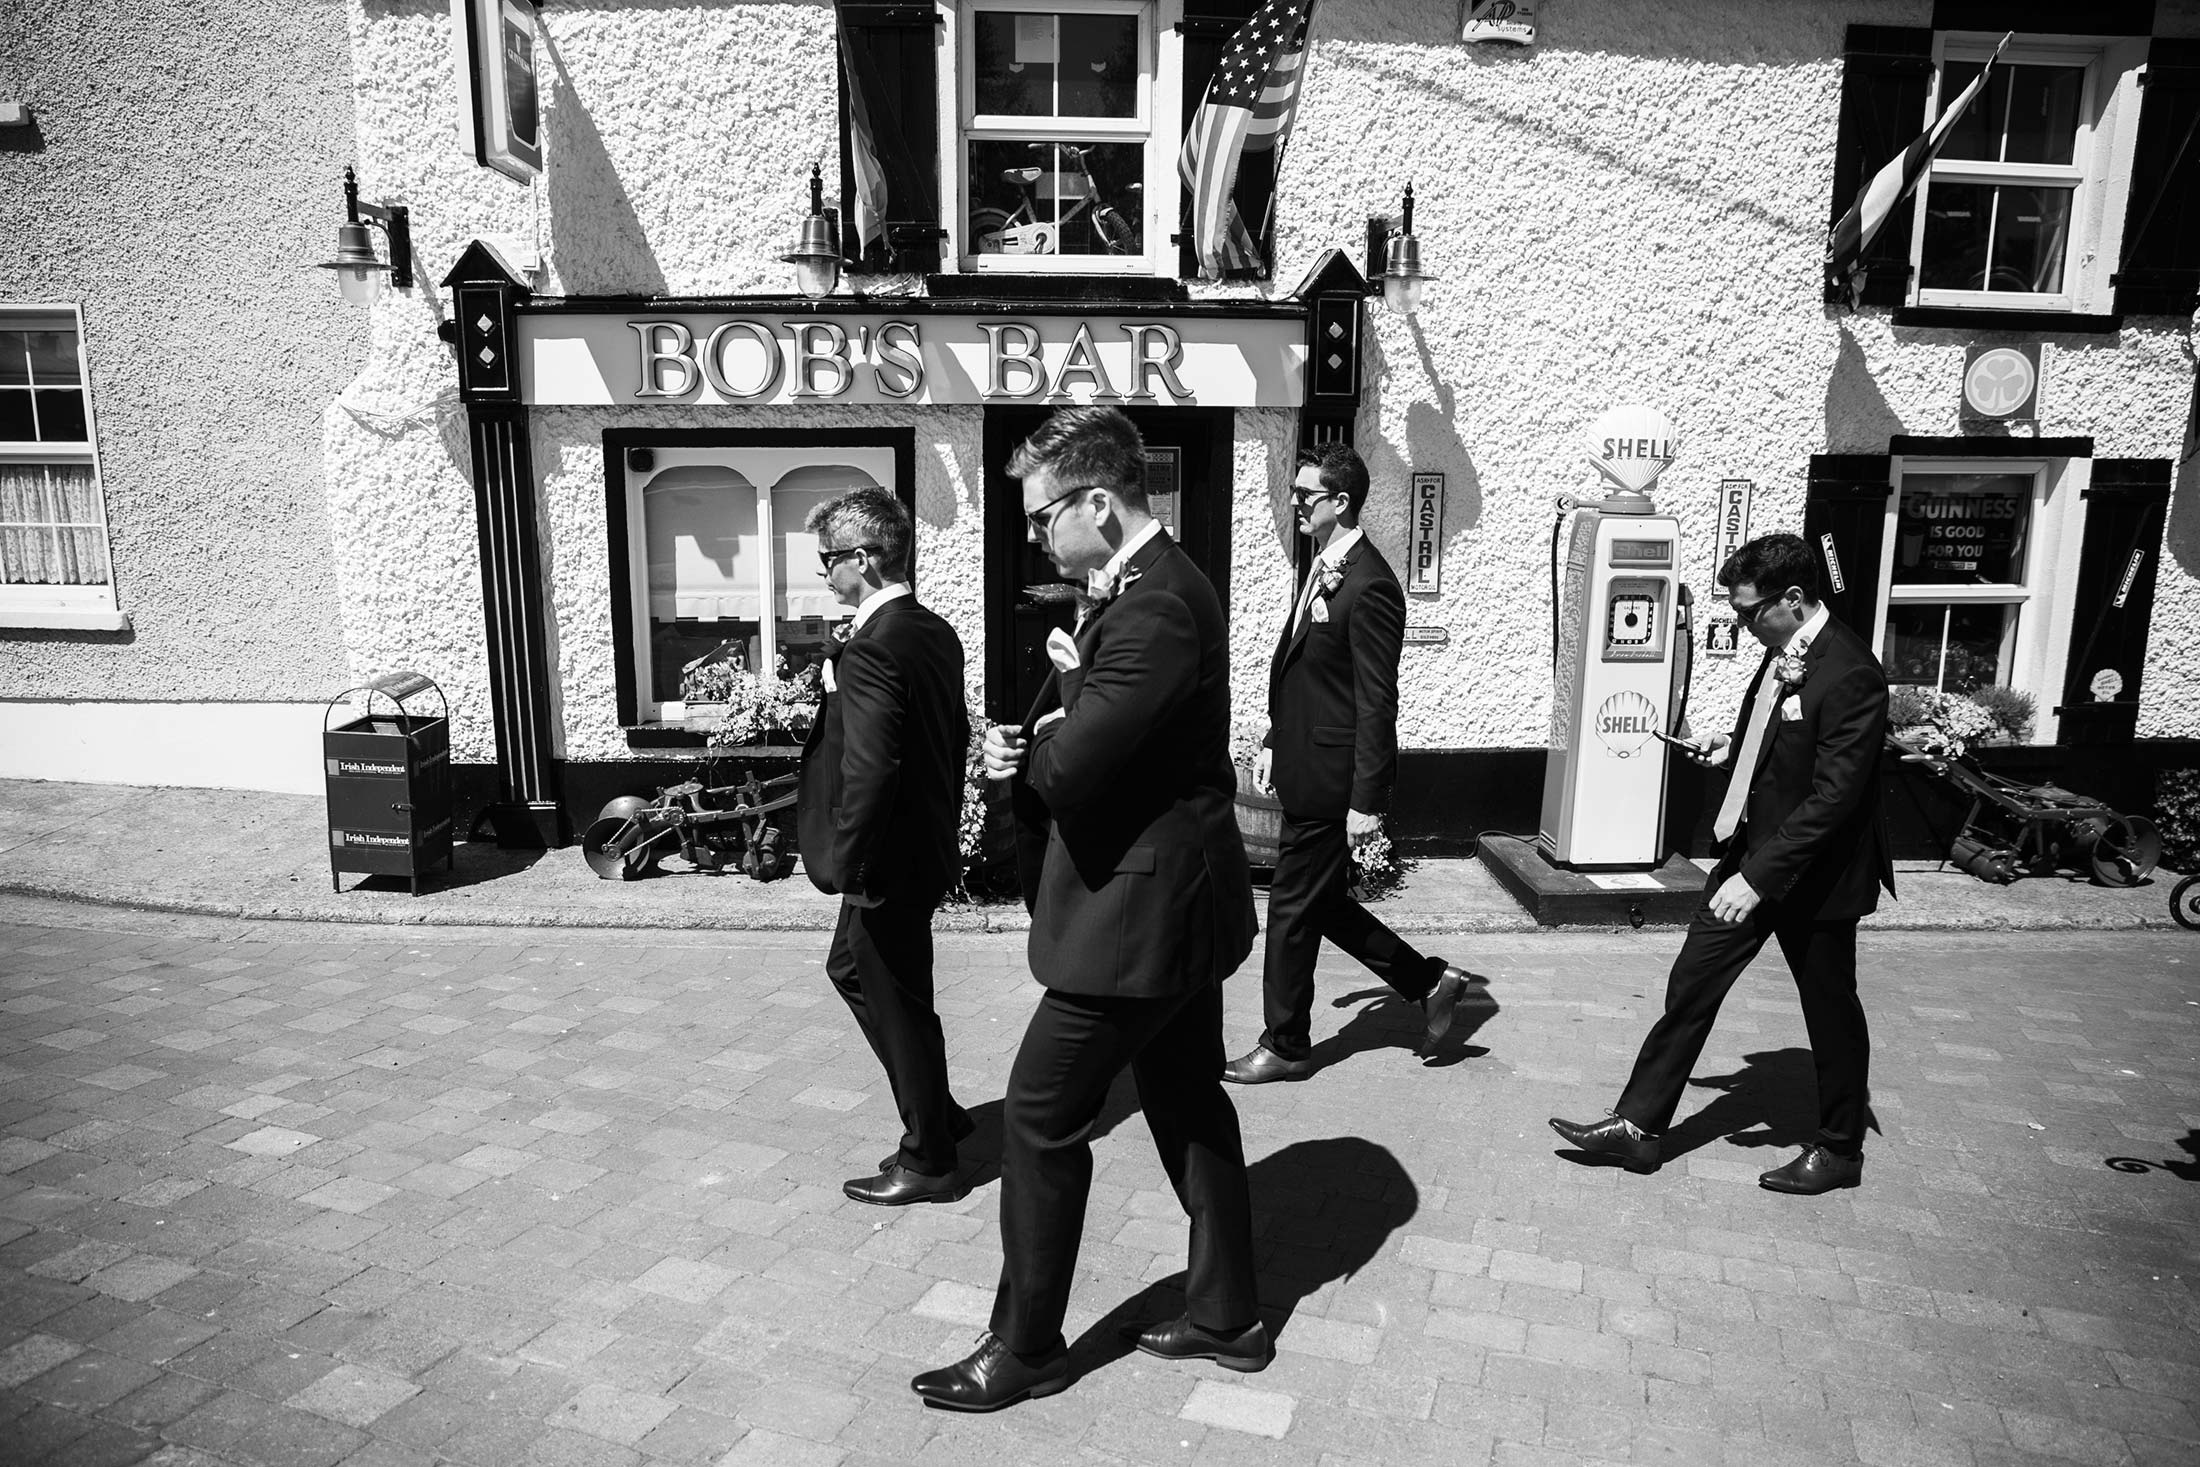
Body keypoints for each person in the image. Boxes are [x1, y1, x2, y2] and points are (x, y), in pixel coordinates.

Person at [911, 407, 1266, 1412]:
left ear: (1098, 505)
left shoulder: (1153, 606)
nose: (1034, 536)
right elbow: (1098, 735)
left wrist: (1028, 749)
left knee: (1036, 1116)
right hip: (1173, 899)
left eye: (1040, 517)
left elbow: (1074, 768)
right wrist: (1053, 724)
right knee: (1188, 1098)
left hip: (1138, 913)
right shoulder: (1150, 588)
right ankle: (1227, 1313)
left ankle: (1026, 1344)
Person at [1550, 532, 1894, 1195]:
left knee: (1830, 1009)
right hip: (1750, 853)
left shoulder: (1851, 671)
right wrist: (1732, 747)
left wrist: (1759, 878)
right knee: (1693, 982)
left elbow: (1833, 800)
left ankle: (1840, 1149)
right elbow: (1783, 739)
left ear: (1793, 599)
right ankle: (1639, 1128)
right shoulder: (1784, 652)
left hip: (1814, 877)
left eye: (1748, 611)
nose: (1740, 625)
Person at [1223, 442, 1477, 1085]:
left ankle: (1285, 1044)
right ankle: (1429, 981)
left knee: (1289, 908)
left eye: (1306, 494)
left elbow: (1375, 700)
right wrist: (1280, 738)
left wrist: (1366, 800)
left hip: (1335, 783)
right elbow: (1316, 676)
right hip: (1307, 765)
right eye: (1296, 493)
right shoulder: (1327, 564)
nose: (1295, 503)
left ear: (1341, 501)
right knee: (1321, 904)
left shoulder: (1370, 583)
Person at [797, 487, 974, 1207]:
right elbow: (950, 739)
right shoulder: (933, 630)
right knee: (856, 969)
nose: (824, 574)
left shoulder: (873, 647)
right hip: (921, 846)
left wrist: (848, 861)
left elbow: (871, 768)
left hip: (884, 861)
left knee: (893, 994)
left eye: (828, 560)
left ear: (863, 559)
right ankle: (940, 1108)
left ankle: (928, 1155)